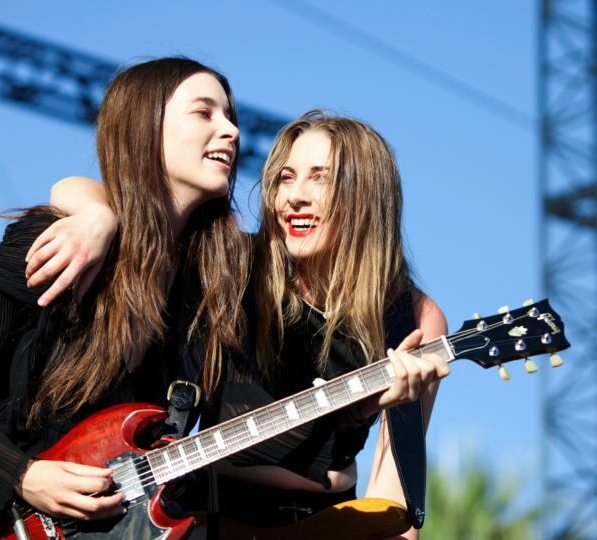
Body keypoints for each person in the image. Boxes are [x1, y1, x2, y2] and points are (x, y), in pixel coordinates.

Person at [29, 111, 449, 539]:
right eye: (286, 178)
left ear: (367, 195)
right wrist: (98, 218)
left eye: (320, 178)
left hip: (327, 520)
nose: (294, 197)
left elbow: (393, 492)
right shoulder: (235, 266)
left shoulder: (412, 317)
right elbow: (71, 188)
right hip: (205, 513)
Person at [0, 57, 251, 530]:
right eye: (204, 114)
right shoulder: (54, 241)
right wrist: (22, 476)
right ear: (144, 129)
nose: (231, 131)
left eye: (230, 117)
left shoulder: (214, 294)